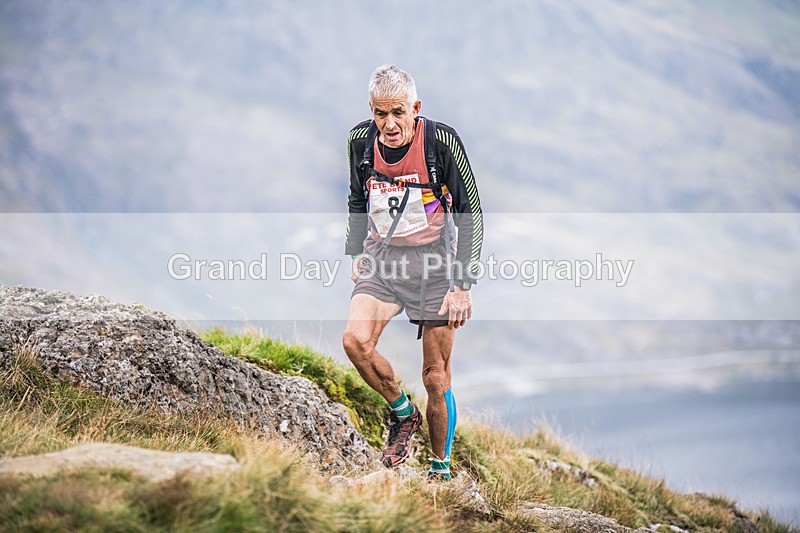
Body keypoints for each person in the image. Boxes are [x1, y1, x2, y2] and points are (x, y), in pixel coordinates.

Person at [342, 64, 483, 480]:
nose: (389, 124)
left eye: (398, 113)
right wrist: (355, 252)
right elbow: (356, 195)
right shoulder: (359, 141)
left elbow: (470, 214)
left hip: (436, 269)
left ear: (415, 108)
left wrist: (462, 286)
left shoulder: (440, 142)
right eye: (380, 114)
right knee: (354, 341)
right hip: (383, 262)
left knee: (436, 379)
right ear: (372, 111)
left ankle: (440, 471)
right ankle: (403, 413)